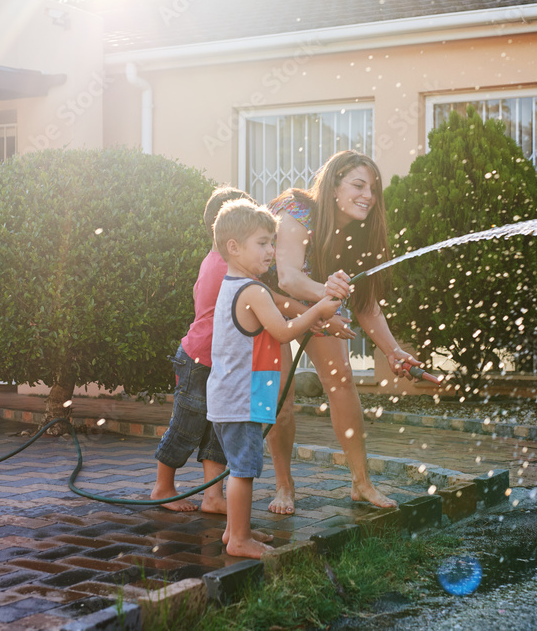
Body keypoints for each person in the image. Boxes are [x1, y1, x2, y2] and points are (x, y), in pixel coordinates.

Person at [265, 150, 421, 514]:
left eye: (373, 188)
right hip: (267, 304)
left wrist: (392, 350)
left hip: (314, 306)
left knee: (342, 382)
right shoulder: (298, 210)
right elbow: (288, 276)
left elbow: (365, 303)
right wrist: (326, 299)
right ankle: (284, 486)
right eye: (358, 185)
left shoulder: (361, 234)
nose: (368, 194)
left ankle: (361, 483)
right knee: (279, 402)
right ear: (334, 184)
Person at [207, 199, 341, 558]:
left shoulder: (233, 285)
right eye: (263, 243)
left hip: (231, 397)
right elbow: (283, 333)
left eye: (273, 243)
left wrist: (307, 319)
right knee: (243, 471)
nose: (271, 251)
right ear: (234, 248)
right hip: (241, 400)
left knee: (241, 467)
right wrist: (319, 309)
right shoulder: (253, 291)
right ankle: (239, 540)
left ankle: (235, 532)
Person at [150, 186, 251, 513]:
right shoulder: (224, 267)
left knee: (216, 430)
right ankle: (162, 487)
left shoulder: (220, 262)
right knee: (187, 426)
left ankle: (213, 496)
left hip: (219, 361)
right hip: (199, 359)